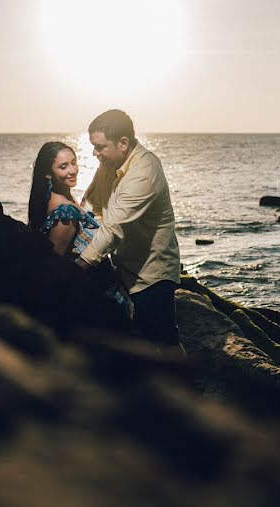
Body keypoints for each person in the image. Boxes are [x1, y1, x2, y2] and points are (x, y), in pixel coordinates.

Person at [76, 110, 182, 346]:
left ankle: (183, 382)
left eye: (100, 147)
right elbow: (98, 208)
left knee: (163, 342)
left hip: (151, 274)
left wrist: (78, 267)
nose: (95, 153)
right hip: (124, 266)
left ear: (123, 143)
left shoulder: (143, 173)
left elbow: (113, 229)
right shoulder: (110, 162)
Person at [28, 141, 132, 319]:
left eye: (73, 162)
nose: (72, 170)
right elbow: (56, 267)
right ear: (48, 173)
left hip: (100, 292)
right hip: (97, 300)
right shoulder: (65, 213)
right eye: (63, 166)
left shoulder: (62, 197)